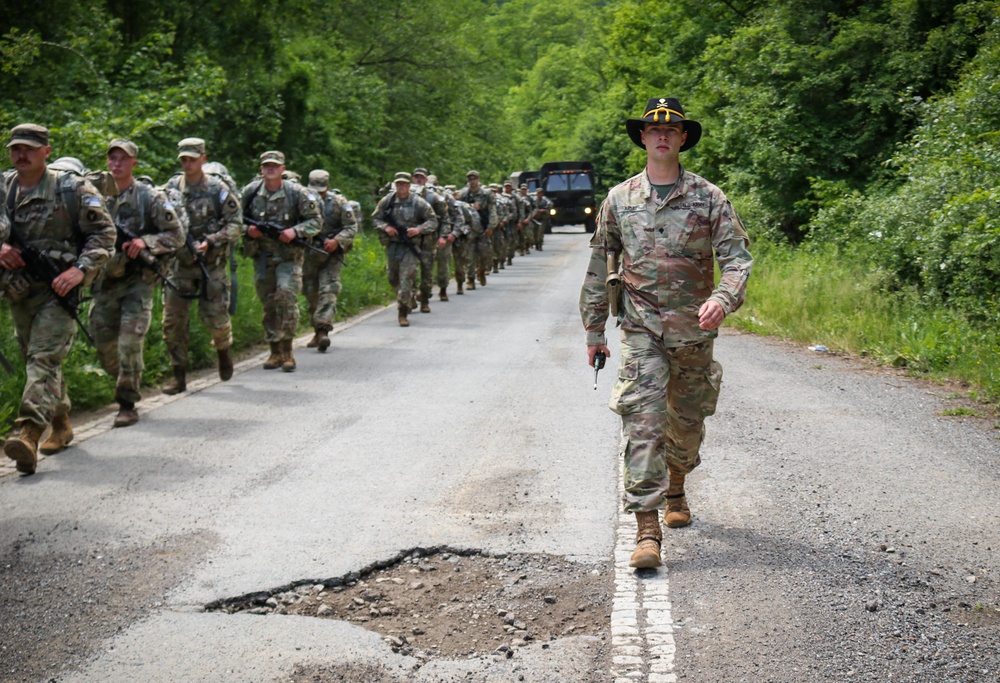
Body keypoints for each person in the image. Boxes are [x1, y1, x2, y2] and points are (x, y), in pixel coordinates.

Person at [580, 97, 753, 569]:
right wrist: (594, 328)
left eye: (671, 130)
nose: (661, 136)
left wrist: (723, 298)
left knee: (687, 424)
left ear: (681, 139)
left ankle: (677, 485)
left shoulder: (708, 197)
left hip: (693, 332)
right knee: (642, 421)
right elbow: (601, 264)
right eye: (653, 129)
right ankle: (646, 530)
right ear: (642, 137)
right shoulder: (619, 199)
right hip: (641, 329)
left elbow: (738, 258)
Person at [0, 124, 115, 473]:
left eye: (30, 148)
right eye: (16, 148)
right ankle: (61, 422)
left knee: (43, 359)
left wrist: (80, 269)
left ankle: (28, 433)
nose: (22, 154)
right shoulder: (3, 187)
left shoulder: (72, 188)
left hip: (59, 290)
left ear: (46, 152)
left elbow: (105, 234)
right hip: (19, 290)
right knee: (35, 360)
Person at [90, 140, 185, 427]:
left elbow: (176, 236)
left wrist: (147, 241)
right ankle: (125, 379)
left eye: (123, 159)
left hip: (138, 282)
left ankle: (127, 402)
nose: (116, 164)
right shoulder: (94, 197)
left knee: (130, 340)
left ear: (134, 163)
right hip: (105, 281)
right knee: (102, 341)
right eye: (112, 158)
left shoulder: (150, 197)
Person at [162, 137, 243, 394]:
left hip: (212, 264)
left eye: (192, 160)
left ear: (203, 159)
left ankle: (223, 351)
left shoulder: (217, 189)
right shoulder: (172, 187)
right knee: (173, 322)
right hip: (181, 266)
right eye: (183, 160)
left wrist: (212, 240)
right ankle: (179, 376)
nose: (187, 164)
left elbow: (236, 224)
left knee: (216, 318)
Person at [242, 151, 322, 371]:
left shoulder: (297, 192)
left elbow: (316, 221)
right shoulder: (250, 192)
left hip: (289, 256)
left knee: (286, 296)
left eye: (274, 166)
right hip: (262, 256)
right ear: (261, 169)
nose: (270, 169)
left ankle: (288, 351)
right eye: (266, 165)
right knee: (268, 302)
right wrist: (248, 230)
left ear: (283, 169)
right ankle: (274, 350)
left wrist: (295, 232)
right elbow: (231, 221)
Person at [302, 170, 358, 351]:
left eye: (322, 190)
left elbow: (351, 226)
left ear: (328, 186)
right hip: (308, 254)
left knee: (329, 289)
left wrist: (337, 241)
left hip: (331, 255)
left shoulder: (340, 203)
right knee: (311, 292)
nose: (318, 194)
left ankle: (323, 330)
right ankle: (316, 328)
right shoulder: (301, 200)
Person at [372, 172, 437, 327]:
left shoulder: (418, 202)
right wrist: (386, 227)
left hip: (410, 246)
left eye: (404, 184)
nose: (401, 187)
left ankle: (403, 311)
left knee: (406, 278)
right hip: (393, 245)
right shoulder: (387, 201)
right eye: (398, 184)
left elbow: (433, 220)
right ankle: (408, 298)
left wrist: (419, 230)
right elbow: (375, 218)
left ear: (409, 185)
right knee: (392, 277)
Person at [410, 168, 449, 311]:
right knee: (410, 271)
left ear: (426, 180)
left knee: (427, 273)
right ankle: (411, 297)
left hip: (428, 241)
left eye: (422, 177)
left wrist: (443, 236)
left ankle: (425, 300)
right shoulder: (407, 197)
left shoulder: (434, 197)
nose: (419, 180)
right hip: (410, 242)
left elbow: (445, 219)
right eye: (416, 177)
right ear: (413, 179)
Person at [458, 170, 497, 287]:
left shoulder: (487, 194)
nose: (472, 181)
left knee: (484, 253)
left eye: (474, 179)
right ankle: (470, 279)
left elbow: (492, 211)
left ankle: (481, 270)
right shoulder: (464, 194)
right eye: (470, 179)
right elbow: (458, 211)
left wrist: (491, 226)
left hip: (483, 228)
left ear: (478, 180)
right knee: (469, 255)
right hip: (469, 229)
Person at [530, 187, 552, 251]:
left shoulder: (545, 199)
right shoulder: (534, 200)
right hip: (535, 218)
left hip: (543, 218)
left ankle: (540, 244)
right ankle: (536, 243)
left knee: (541, 232)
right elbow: (531, 207)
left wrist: (545, 208)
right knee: (535, 232)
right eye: (538, 193)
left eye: (541, 193)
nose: (540, 194)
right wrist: (538, 210)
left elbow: (550, 204)